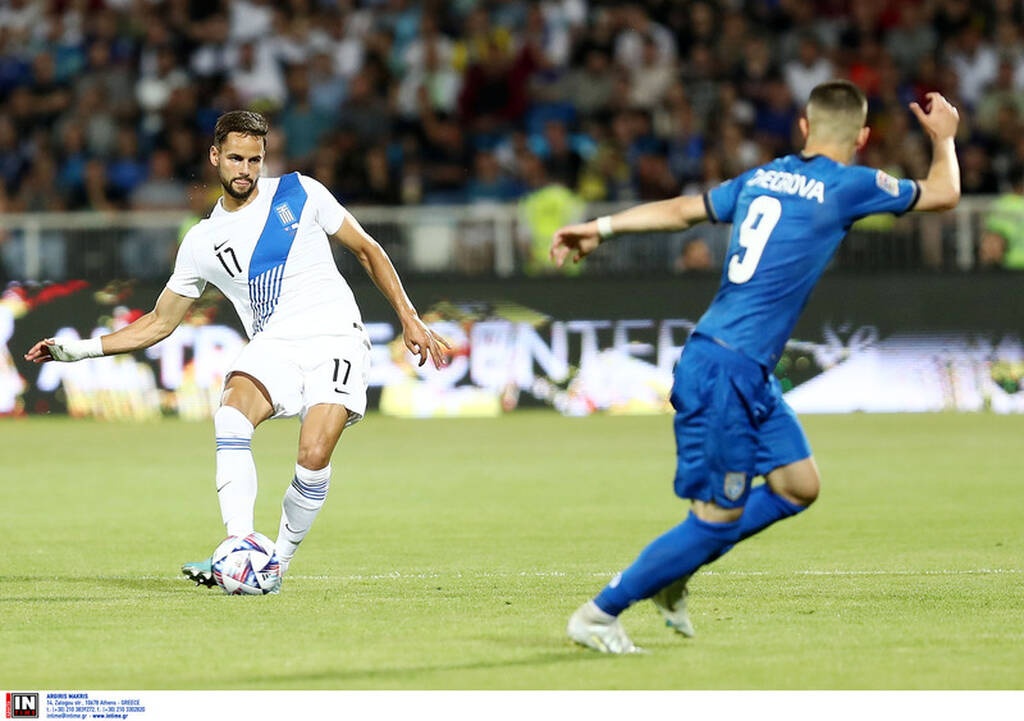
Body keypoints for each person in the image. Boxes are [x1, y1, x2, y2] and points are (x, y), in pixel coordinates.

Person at [550, 80, 960, 653]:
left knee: (798, 486)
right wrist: (944, 138)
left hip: (738, 365)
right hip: (727, 370)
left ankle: (673, 573)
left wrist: (601, 227)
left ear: (803, 127)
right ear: (863, 137)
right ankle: (600, 614)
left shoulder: (762, 177)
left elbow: (682, 211)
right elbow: (944, 194)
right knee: (714, 520)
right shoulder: (850, 185)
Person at [25, 110, 450, 591]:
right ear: (215, 157)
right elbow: (159, 322)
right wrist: (75, 351)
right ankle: (239, 546)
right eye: (235, 158)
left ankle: (275, 564)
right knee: (230, 416)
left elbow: (368, 248)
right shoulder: (201, 241)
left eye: (254, 159)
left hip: (337, 337)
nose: (245, 169)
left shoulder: (300, 192)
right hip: (274, 344)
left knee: (313, 454)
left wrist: (409, 316)